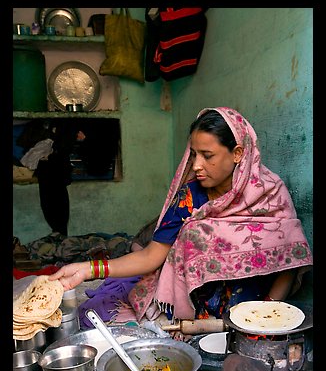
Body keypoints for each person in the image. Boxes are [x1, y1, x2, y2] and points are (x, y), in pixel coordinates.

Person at [49, 107, 313, 340]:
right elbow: (153, 256)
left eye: (207, 155)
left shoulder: (270, 193)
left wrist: (266, 316)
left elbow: (288, 259)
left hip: (257, 307)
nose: (196, 165)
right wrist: (88, 269)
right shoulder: (189, 196)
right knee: (193, 232)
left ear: (237, 153)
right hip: (198, 310)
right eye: (194, 154)